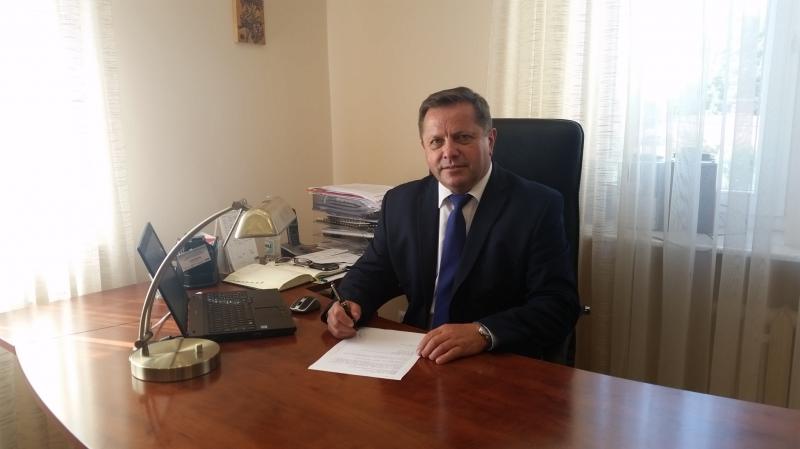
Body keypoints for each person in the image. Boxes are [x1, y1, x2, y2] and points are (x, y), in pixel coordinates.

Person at [323, 86, 580, 364]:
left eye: (463, 137)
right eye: (436, 141)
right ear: (425, 148)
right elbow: (374, 270)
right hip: (416, 352)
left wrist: (482, 333)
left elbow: (558, 305)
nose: (449, 152)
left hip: (495, 359)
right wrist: (348, 303)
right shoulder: (401, 202)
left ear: (490, 140)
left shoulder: (537, 206)